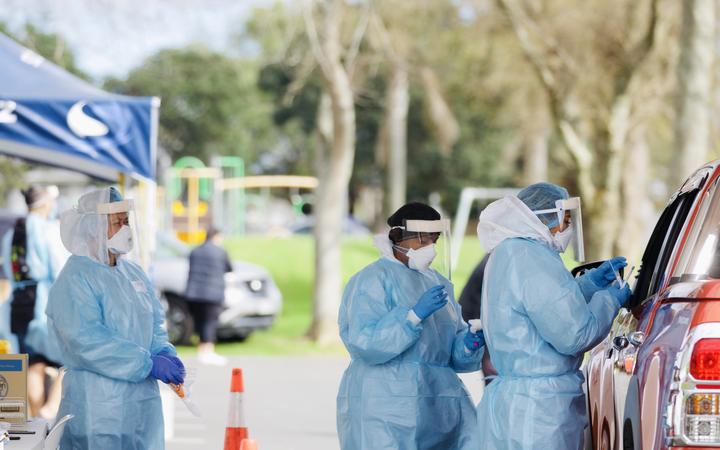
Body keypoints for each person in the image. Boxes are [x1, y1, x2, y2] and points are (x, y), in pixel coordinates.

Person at [475, 182, 632, 450]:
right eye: (565, 220)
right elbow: (574, 334)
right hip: (539, 410)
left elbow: (545, 305)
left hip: (516, 402)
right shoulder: (532, 258)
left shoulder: (510, 252)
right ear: (546, 216)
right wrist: (609, 299)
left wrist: (590, 284)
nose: (567, 228)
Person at [337, 202, 484, 450]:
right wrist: (412, 317)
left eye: (433, 241)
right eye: (422, 240)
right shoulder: (372, 279)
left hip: (438, 404)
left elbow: (450, 353)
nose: (430, 248)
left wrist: (467, 345)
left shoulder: (438, 283)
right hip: (386, 405)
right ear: (398, 238)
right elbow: (365, 343)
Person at [47, 187, 185, 449]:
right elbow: (86, 340)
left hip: (142, 404)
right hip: (98, 407)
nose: (126, 229)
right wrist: (146, 363)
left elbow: (154, 321)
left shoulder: (132, 272)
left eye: (127, 221)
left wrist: (164, 352)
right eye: (117, 223)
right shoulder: (76, 277)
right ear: (93, 228)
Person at [1, 185, 65, 418]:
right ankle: (49, 411)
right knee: (71, 359)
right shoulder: (48, 231)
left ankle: (38, 423)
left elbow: (8, 270)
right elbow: (59, 268)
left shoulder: (12, 233)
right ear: (46, 203)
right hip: (43, 304)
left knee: (33, 364)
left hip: (18, 306)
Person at [185, 226, 232, 366]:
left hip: (194, 292)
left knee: (200, 321)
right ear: (216, 237)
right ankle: (208, 351)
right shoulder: (220, 252)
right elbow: (229, 268)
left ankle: (201, 349)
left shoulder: (195, 251)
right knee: (210, 322)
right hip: (213, 293)